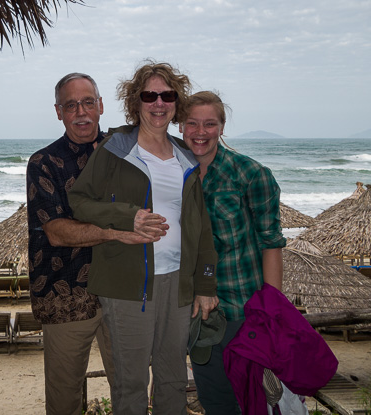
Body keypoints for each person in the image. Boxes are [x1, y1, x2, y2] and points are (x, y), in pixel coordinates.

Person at [68, 61, 219, 415]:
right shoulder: (116, 148)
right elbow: (79, 201)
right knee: (131, 382)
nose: (158, 102)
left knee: (172, 379)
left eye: (167, 95)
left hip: (179, 285)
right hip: (127, 286)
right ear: (137, 102)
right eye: (149, 94)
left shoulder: (186, 155)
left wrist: (206, 284)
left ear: (175, 102)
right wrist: (127, 216)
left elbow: (202, 227)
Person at [26, 72, 153, 415]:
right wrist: (115, 231)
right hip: (65, 294)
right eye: (70, 105)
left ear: (100, 106)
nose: (80, 112)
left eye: (87, 102)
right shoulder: (43, 163)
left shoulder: (129, 150)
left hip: (123, 289)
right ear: (58, 112)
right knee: (65, 399)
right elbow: (56, 231)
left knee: (133, 390)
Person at [182, 91, 286, 414]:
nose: (201, 132)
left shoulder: (251, 175)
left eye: (210, 124)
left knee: (253, 405)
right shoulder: (174, 176)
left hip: (243, 315)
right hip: (198, 318)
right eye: (192, 123)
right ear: (181, 127)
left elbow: (271, 245)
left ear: (222, 128)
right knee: (216, 406)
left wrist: (271, 314)